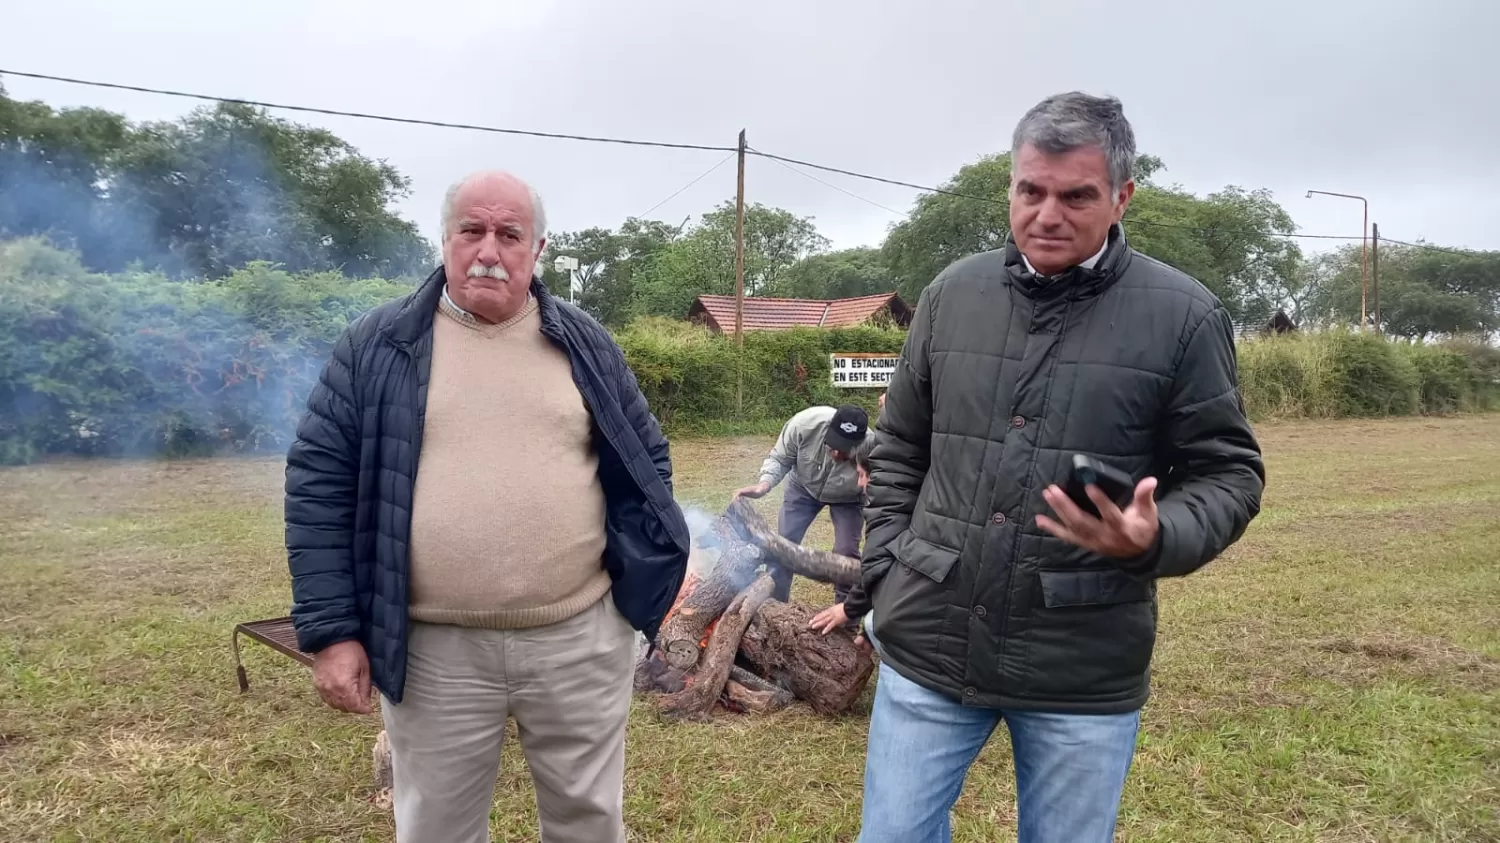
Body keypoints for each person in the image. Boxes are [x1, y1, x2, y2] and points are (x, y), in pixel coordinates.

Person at [854, 92, 1265, 843]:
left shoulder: (1185, 317)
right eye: (1029, 190)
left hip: (1083, 662)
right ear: (1010, 186)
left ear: (1121, 196)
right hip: (929, 639)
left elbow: (1229, 474)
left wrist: (1156, 533)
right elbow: (899, 447)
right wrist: (885, 568)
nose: (1047, 213)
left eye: (1076, 195)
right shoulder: (952, 296)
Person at [283, 170, 690, 843]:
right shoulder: (377, 346)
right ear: (444, 238)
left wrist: (635, 586)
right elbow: (319, 484)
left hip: (579, 638)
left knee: (589, 825)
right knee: (436, 830)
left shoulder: (586, 343)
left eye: (509, 234)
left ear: (538, 248)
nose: (489, 250)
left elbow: (647, 465)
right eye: (471, 230)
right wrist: (332, 631)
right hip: (432, 649)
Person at [732, 404, 869, 605]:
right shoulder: (805, 424)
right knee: (783, 544)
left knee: (846, 552)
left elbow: (876, 486)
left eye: (846, 450)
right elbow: (780, 458)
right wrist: (763, 485)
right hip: (803, 487)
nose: (838, 454)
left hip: (849, 498)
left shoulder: (873, 445)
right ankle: (777, 606)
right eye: (834, 445)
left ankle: (845, 614)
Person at [807, 432, 877, 647]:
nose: (860, 484)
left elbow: (880, 566)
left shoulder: (888, 512)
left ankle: (852, 625)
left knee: (846, 550)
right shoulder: (807, 426)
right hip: (807, 489)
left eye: (862, 475)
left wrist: (849, 609)